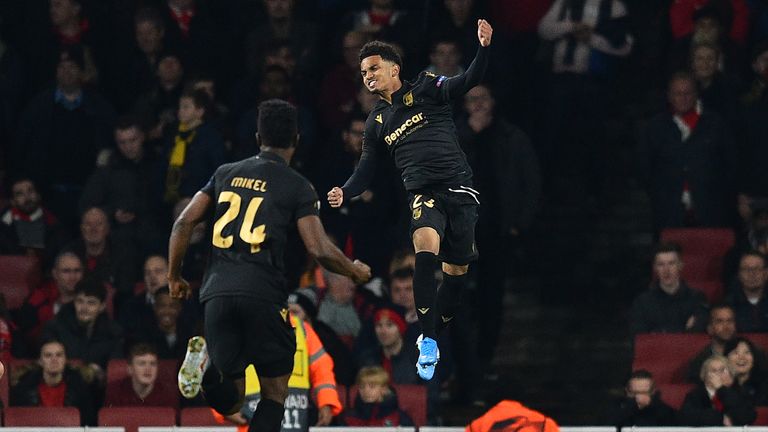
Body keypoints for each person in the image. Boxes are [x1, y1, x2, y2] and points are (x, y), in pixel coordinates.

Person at [168, 99, 370, 432]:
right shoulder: (297, 186)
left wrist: (174, 276)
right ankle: (209, 372)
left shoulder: (224, 173)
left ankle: (208, 372)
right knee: (275, 392)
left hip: (216, 294)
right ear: (297, 140)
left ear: (258, 137)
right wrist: (354, 270)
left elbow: (183, 224)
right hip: (262, 295)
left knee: (231, 398)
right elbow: (319, 248)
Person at [327, 19, 494, 381]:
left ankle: (436, 328)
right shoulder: (376, 121)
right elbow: (366, 170)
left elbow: (468, 81)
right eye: (363, 72)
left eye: (373, 69)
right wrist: (346, 190)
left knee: (456, 275)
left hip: (459, 190)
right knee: (424, 249)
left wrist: (483, 47)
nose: (367, 76)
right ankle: (428, 339)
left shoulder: (428, 88)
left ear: (394, 69)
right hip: (422, 193)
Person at [629, 242, 710, 334]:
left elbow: (700, 332)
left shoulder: (697, 298)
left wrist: (659, 331)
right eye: (661, 264)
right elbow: (640, 338)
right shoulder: (642, 303)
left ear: (680, 265)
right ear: (655, 268)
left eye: (671, 263)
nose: (666, 270)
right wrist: (684, 329)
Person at [11, 338, 95, 425]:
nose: (54, 359)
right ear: (40, 361)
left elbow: (88, 422)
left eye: (59, 355)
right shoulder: (24, 389)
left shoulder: (80, 388)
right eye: (48, 355)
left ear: (65, 360)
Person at [15, 251, 84, 356]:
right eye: (66, 271)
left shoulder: (92, 299)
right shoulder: (38, 299)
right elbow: (26, 340)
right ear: (55, 274)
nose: (72, 277)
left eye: (77, 271)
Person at [679, 354, 756, 425]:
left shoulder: (740, 393)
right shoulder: (694, 396)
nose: (718, 374)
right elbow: (686, 418)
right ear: (704, 376)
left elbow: (747, 417)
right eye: (713, 371)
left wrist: (721, 389)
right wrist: (721, 419)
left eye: (722, 370)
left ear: (730, 374)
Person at [104, 343, 178, 408]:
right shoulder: (114, 391)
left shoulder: (168, 394)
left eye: (153, 364)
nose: (148, 369)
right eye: (142, 364)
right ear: (130, 369)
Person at [340, 366, 414, 426]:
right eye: (362, 387)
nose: (366, 391)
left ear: (384, 389)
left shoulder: (399, 417)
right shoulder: (348, 418)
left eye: (372, 386)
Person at [688, 304, 738, 383]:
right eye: (719, 321)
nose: (726, 326)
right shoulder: (700, 363)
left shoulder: (748, 357)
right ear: (710, 328)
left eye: (730, 321)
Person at [608, 370, 676, 427]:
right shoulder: (616, 407)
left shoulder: (664, 411)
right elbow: (608, 424)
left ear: (653, 392)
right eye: (634, 393)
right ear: (627, 391)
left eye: (644, 393)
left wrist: (651, 405)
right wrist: (630, 407)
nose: (639, 397)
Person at [727, 251, 768, 332]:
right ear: (739, 274)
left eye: (757, 269)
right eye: (746, 269)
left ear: (766, 273)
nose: (752, 274)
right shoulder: (728, 304)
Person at [724, 336, 768, 406]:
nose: (741, 357)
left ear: (754, 358)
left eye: (747, 352)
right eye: (735, 353)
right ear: (726, 359)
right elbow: (715, 408)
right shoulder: (721, 383)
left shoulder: (764, 385)